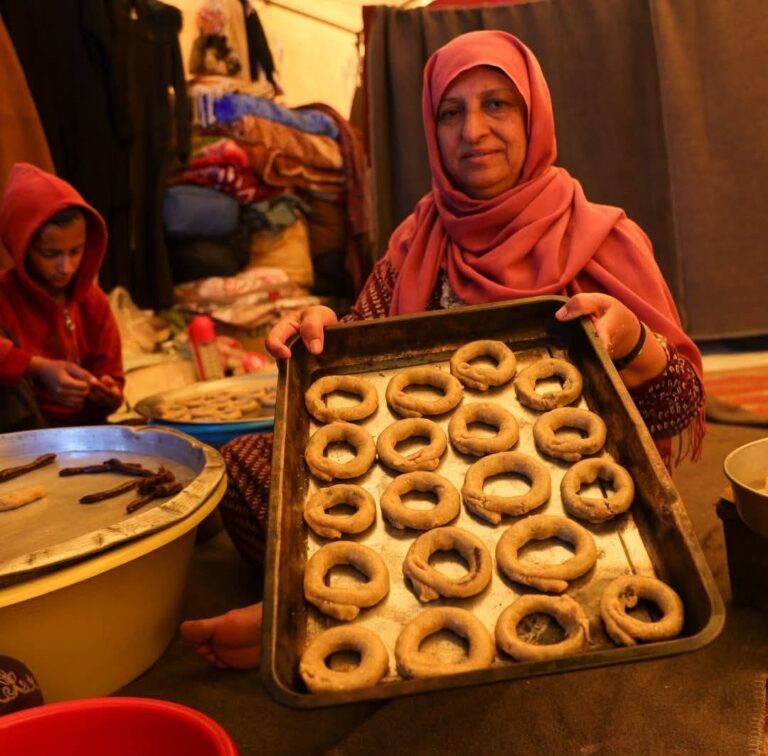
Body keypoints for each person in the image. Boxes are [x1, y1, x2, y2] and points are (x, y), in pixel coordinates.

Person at [180, 30, 705, 669]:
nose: (473, 130)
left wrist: (632, 342)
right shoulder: (419, 239)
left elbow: (677, 408)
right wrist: (322, 331)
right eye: (450, 113)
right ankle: (341, 592)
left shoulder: (603, 238)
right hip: (423, 473)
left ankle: (302, 607)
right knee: (245, 467)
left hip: (560, 476)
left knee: (601, 503)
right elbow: (358, 358)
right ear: (432, 131)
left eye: (497, 105)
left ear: (534, 113)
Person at [0, 163, 124, 431]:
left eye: (76, 251)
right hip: (21, 435)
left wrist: (106, 393)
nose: (65, 267)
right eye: (49, 254)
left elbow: (112, 375)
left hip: (87, 430)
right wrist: (37, 368)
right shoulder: (4, 294)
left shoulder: (94, 302)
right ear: (21, 246)